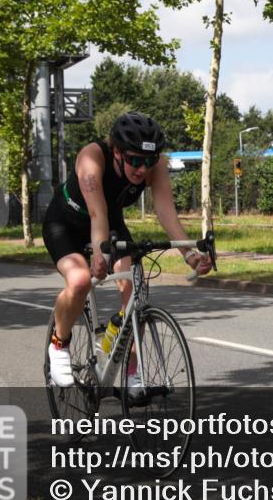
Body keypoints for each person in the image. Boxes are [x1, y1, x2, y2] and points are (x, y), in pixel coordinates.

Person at [43, 112, 212, 389]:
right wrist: (100, 255)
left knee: (136, 295)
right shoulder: (92, 157)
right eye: (134, 160)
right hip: (66, 223)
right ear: (117, 152)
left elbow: (167, 214)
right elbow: (97, 214)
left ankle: (132, 372)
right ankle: (59, 344)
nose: (142, 169)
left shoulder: (155, 167)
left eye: (148, 161)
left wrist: (190, 255)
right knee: (80, 280)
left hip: (110, 224)